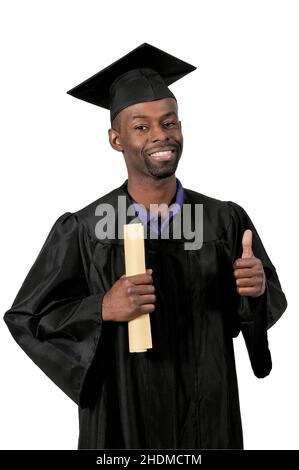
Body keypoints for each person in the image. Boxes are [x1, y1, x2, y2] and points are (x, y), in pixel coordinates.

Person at [3, 43, 287, 449]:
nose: (161, 136)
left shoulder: (224, 221)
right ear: (116, 140)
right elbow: (27, 318)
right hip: (123, 426)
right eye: (142, 126)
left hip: (206, 422)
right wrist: (101, 308)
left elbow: (255, 315)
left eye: (169, 123)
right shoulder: (85, 229)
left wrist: (254, 293)